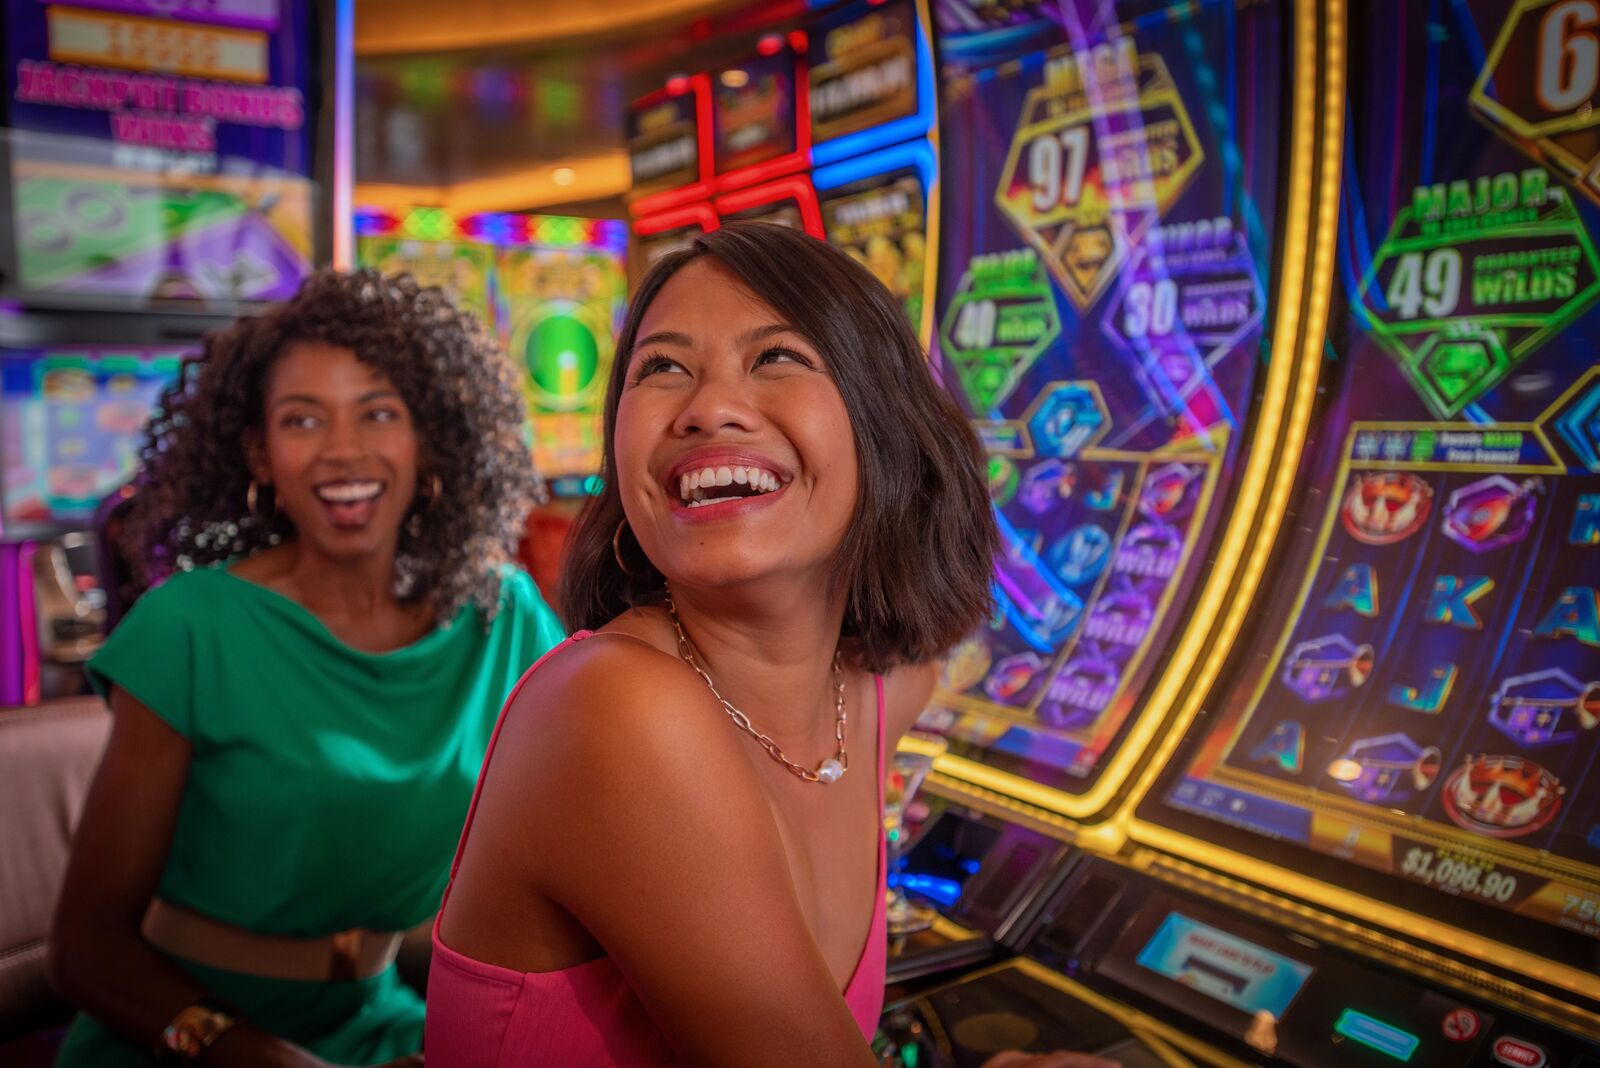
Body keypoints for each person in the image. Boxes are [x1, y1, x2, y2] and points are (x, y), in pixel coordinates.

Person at [426, 223, 1117, 1067]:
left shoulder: (876, 692)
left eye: (777, 357)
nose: (708, 406)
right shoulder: (610, 705)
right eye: (663, 368)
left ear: (883, 426)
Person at [48, 269, 566, 1067]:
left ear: (429, 438)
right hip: (184, 1035)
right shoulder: (190, 628)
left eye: (379, 414)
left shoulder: (505, 617)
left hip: (379, 1025)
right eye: (302, 419)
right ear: (260, 454)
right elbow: (86, 951)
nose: (344, 451)